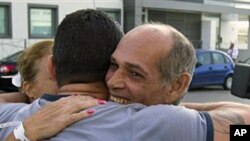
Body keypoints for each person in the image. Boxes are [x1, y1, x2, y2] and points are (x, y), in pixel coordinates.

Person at [2, 11, 250, 141]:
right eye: (112, 65)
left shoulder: (15, 117)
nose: (113, 81)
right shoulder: (155, 125)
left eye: (134, 73)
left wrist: (23, 126)